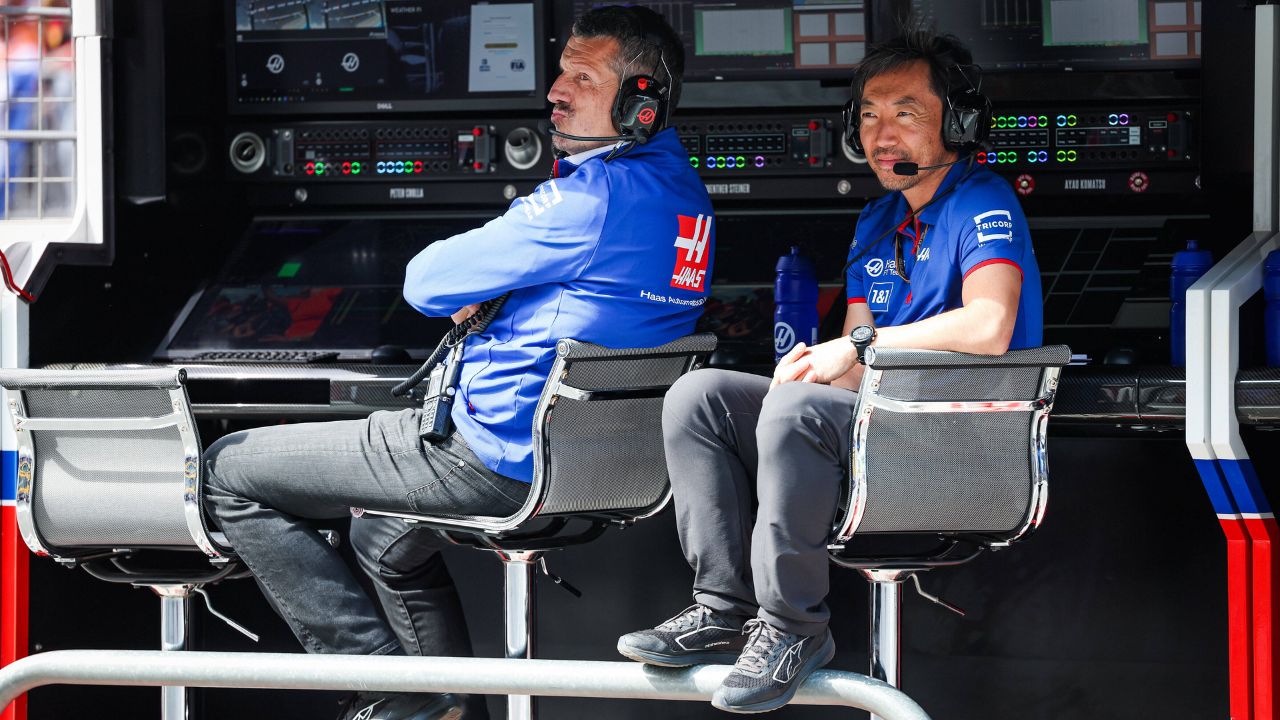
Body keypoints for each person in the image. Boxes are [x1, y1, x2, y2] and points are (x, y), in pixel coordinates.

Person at [202, 7, 713, 720]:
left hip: (487, 458)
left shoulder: (587, 198)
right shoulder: (686, 197)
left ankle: (387, 689)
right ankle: (444, 711)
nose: (556, 91)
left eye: (582, 77)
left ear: (640, 100)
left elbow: (425, 282)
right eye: (561, 72)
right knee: (381, 535)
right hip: (594, 469)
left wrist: (489, 285)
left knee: (229, 470)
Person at [617, 29, 1043, 714]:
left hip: (957, 443)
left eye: (905, 112)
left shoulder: (983, 200)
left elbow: (989, 325)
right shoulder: (875, 222)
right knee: (701, 396)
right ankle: (723, 604)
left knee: (794, 410)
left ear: (957, 121)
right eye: (869, 115)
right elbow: (852, 362)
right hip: (883, 428)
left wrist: (857, 348)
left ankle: (793, 629)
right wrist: (817, 366)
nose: (882, 133)